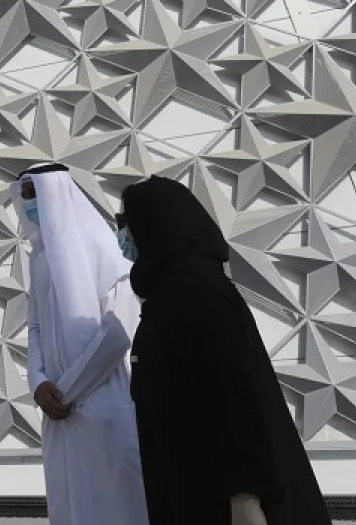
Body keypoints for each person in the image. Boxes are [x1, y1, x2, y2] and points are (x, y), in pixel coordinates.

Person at [122, 174, 331, 525]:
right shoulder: (168, 293)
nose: (125, 235)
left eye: (127, 223)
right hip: (190, 488)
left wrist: (246, 496)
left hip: (218, 498)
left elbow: (233, 394)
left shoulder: (195, 292)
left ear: (155, 223)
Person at [17, 163, 148, 525]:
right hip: (58, 413)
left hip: (103, 404)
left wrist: (66, 391)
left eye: (34, 194)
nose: (29, 203)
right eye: (24, 196)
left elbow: (118, 331)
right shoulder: (39, 257)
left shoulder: (102, 248)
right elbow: (35, 326)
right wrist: (38, 383)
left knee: (117, 505)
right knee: (71, 507)